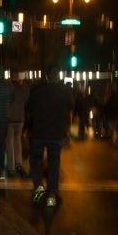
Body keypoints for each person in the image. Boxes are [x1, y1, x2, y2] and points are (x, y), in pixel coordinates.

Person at [25, 64, 74, 208]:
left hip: (38, 133)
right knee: (54, 163)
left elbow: (28, 111)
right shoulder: (64, 93)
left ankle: (38, 188)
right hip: (56, 134)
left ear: (46, 76)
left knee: (35, 161)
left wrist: (27, 130)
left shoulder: (37, 92)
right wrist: (67, 133)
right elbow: (68, 115)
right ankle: (52, 193)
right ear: (58, 77)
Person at [5, 79, 29, 177]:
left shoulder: (8, 90)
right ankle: (19, 164)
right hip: (20, 119)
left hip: (9, 119)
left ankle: (11, 167)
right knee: (17, 141)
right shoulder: (23, 90)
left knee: (9, 143)